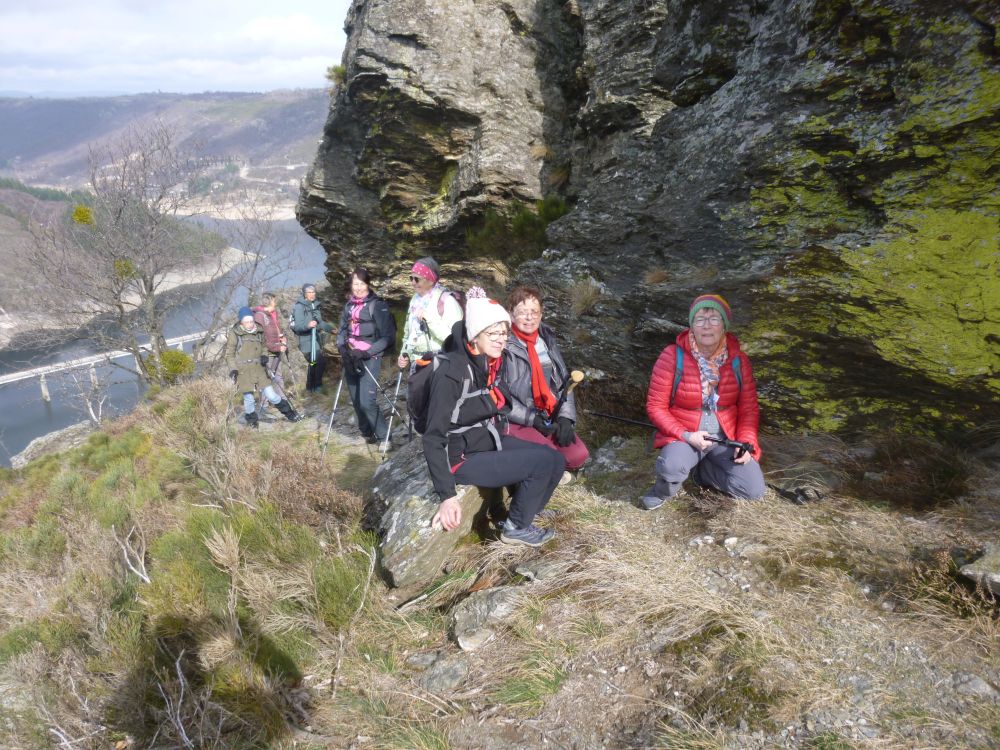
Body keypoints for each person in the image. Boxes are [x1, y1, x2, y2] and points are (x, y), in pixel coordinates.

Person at [425, 287, 565, 547]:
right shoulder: (451, 372)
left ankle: (527, 512)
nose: (501, 340)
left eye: (503, 333)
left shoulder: (486, 361)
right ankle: (516, 528)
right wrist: (447, 496)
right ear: (475, 334)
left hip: (485, 440)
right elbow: (433, 436)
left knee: (556, 458)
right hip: (461, 457)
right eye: (493, 333)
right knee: (542, 462)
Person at [642, 294, 765, 508]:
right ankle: (661, 491)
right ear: (692, 326)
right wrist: (686, 435)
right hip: (684, 435)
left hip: (724, 438)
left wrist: (747, 442)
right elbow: (655, 407)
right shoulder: (672, 356)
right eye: (700, 319)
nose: (706, 325)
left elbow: (749, 410)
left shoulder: (739, 361)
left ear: (724, 325)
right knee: (672, 466)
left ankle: (701, 471)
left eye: (714, 319)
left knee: (753, 490)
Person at [503, 286, 590, 476]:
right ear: (510, 314)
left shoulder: (546, 339)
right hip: (516, 418)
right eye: (522, 312)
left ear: (541, 314)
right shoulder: (503, 345)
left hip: (548, 415)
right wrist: (531, 419)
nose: (529, 317)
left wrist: (565, 418)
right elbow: (500, 398)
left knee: (579, 456)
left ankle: (550, 466)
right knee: (550, 457)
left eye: (534, 312)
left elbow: (564, 383)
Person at [335, 268, 397, 444]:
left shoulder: (377, 306)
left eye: (362, 283)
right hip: (350, 356)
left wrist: (365, 352)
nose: (359, 287)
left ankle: (385, 437)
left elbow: (388, 337)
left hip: (370, 357)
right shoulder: (348, 306)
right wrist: (341, 347)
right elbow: (342, 330)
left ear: (368, 284)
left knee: (366, 401)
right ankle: (367, 433)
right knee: (356, 400)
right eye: (355, 284)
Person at [225, 307, 303, 428]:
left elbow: (264, 347)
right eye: (246, 322)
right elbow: (229, 354)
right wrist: (233, 369)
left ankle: (291, 414)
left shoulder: (259, 331)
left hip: (259, 368)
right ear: (241, 322)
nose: (249, 324)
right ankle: (252, 422)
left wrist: (264, 356)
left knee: (271, 395)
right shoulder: (235, 333)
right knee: (249, 398)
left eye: (251, 321)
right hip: (243, 371)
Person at [397, 257, 463, 371]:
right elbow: (408, 333)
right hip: (416, 363)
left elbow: (454, 338)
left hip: (439, 365)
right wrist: (404, 353)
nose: (413, 282)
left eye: (417, 279)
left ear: (431, 280)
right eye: (411, 278)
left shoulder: (447, 301)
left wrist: (429, 319)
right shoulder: (415, 300)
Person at [291, 283, 334, 392]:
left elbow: (319, 323)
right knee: (318, 362)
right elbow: (297, 327)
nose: (312, 294)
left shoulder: (315, 305)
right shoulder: (299, 307)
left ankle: (311, 388)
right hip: (306, 341)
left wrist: (331, 329)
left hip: (315, 340)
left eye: (313, 292)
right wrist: (308, 325)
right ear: (304, 294)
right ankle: (317, 387)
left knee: (314, 363)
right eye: (309, 292)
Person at [253, 291, 290, 404]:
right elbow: (261, 339)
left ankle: (283, 402)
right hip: (266, 354)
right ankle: (264, 406)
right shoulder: (259, 316)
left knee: (278, 377)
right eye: (274, 300)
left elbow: (276, 332)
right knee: (266, 379)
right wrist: (277, 348)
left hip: (276, 350)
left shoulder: (271, 314)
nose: (275, 303)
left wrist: (282, 338)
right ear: (268, 302)